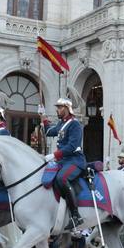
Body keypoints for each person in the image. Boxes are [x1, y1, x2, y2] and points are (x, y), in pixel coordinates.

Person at [45, 97, 86, 229]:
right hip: (63, 161)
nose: (57, 109)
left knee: (62, 178)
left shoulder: (74, 124)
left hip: (75, 160)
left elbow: (72, 146)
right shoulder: (61, 124)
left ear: (68, 109)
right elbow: (48, 132)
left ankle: (75, 216)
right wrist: (43, 119)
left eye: (60, 107)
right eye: (57, 107)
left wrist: (54, 155)